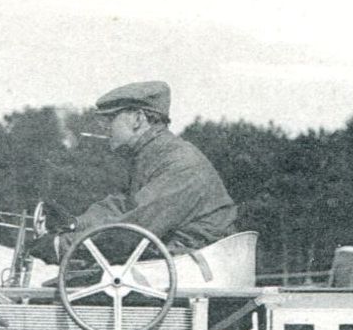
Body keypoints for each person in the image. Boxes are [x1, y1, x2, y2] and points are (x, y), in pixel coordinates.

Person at [30, 80, 236, 262]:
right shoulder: (155, 156)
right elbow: (122, 206)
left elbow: (131, 232)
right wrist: (76, 224)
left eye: (110, 120)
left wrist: (60, 247)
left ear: (138, 119)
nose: (104, 127)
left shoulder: (180, 164)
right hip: (178, 265)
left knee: (53, 298)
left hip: (193, 269)